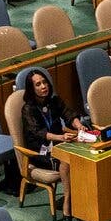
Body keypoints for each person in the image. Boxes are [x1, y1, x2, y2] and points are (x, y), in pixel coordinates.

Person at [17, 67, 82, 206]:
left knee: (81, 154)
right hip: (40, 152)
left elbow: (68, 114)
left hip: (59, 145)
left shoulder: (54, 101)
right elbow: (38, 133)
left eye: (44, 82)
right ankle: (68, 201)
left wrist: (78, 125)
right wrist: (61, 138)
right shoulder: (28, 109)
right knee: (68, 160)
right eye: (38, 84)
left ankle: (78, 198)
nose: (43, 86)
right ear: (31, 89)